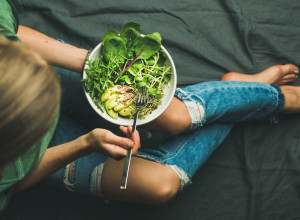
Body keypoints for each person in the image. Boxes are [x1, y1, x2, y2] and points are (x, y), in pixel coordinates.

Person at [1, 0, 300, 212]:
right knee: (161, 186)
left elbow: (11, 34)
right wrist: (85, 143)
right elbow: (16, 181)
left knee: (176, 119)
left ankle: (267, 98)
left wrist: (93, 65)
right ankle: (245, 92)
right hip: (36, 149)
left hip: (38, 67)